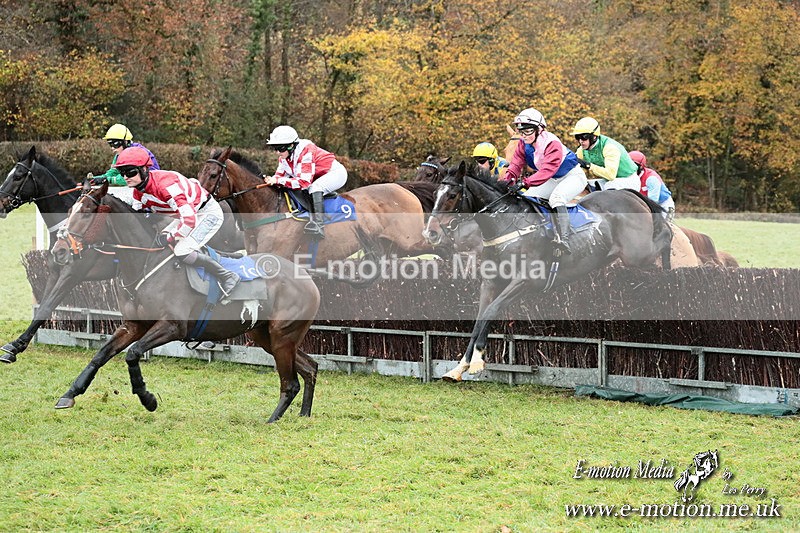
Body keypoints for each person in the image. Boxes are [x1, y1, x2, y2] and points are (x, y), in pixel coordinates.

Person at [113, 146, 240, 297]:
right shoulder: (138, 192)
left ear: (144, 170)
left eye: (130, 172)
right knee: (157, 241)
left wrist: (169, 237)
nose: (126, 177)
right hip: (187, 215)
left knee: (182, 250)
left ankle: (227, 275)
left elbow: (189, 220)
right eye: (122, 173)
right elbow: (137, 219)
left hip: (207, 214)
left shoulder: (166, 186)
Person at [503, 108, 587, 254]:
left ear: (539, 129)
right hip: (552, 178)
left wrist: (525, 182)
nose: (524, 135)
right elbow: (515, 165)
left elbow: (546, 171)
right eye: (521, 131)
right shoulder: (523, 144)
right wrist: (506, 182)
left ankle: (564, 239)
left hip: (572, 176)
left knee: (556, 198)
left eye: (528, 131)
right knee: (527, 198)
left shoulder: (552, 143)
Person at [262, 125, 347, 239]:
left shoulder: (306, 151)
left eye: (280, 148)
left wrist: (278, 180)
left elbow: (303, 183)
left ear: (291, 146)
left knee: (315, 188)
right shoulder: (284, 156)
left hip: (335, 173)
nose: (277, 152)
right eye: (275, 148)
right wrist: (270, 180)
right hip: (316, 175)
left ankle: (318, 225)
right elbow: (279, 176)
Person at [571, 117, 640, 191]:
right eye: (577, 137)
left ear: (594, 137)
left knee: (609, 185)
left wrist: (589, 166)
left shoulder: (609, 147)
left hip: (628, 180)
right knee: (585, 185)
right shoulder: (581, 151)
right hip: (610, 181)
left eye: (584, 137)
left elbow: (610, 175)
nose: (581, 141)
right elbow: (574, 168)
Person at [89, 124, 160, 186]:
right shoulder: (120, 154)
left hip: (152, 184)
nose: (112, 148)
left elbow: (132, 177)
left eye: (115, 144)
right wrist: (95, 179)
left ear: (125, 142)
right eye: (110, 144)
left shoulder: (136, 152)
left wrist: (108, 180)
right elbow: (113, 172)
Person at [629, 150, 675, 220]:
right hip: (645, 206)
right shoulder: (628, 178)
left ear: (641, 167)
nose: (630, 168)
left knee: (666, 227)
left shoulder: (651, 178)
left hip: (663, 205)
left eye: (633, 165)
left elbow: (652, 201)